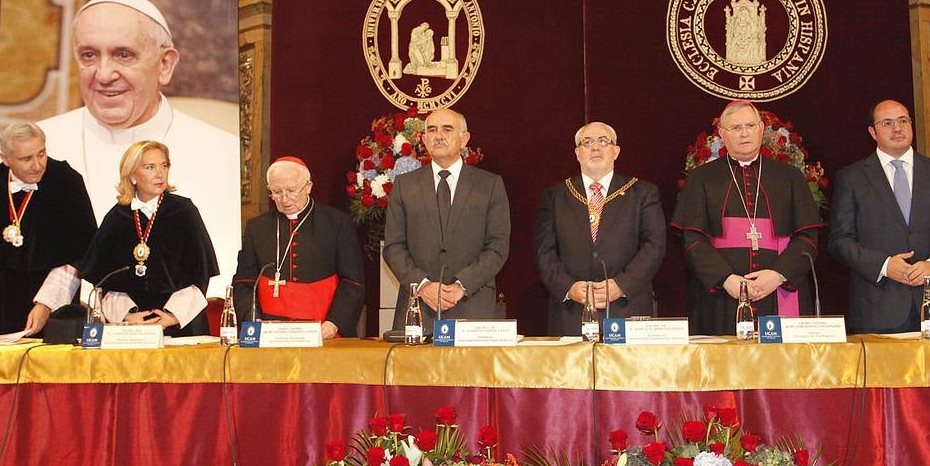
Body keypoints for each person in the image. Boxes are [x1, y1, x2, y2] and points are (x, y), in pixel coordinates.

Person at [35, 0, 240, 298]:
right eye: (89, 55)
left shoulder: (223, 150)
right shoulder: (35, 147)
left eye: (124, 55)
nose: (103, 75)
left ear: (165, 65)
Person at [672, 101, 823, 334]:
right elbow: (691, 240)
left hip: (779, 292)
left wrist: (777, 275)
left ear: (761, 129)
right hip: (722, 296)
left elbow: (808, 237)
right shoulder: (701, 179)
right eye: (735, 128)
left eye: (750, 125)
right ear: (722, 134)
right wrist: (727, 279)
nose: (744, 133)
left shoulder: (790, 177)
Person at [828, 101, 930, 333]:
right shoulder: (852, 178)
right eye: (887, 123)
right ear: (872, 132)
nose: (897, 128)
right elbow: (839, 241)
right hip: (878, 309)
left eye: (903, 121)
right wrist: (884, 265)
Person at [0, 122, 97, 336]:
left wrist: (46, 304)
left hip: (54, 310)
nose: (37, 165)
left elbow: (80, 249)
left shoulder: (67, 182)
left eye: (41, 154)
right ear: (5, 159)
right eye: (26, 159)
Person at [533, 121, 666, 334]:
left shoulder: (642, 193)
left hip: (627, 309)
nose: (596, 147)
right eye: (588, 142)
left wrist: (621, 285)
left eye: (604, 141)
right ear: (577, 153)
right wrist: (569, 288)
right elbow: (544, 251)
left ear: (616, 151)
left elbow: (654, 246)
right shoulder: (556, 195)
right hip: (572, 312)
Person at [383, 108, 510, 326]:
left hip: (472, 306)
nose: (438, 136)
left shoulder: (489, 185)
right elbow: (393, 247)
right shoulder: (405, 185)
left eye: (447, 129)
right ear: (424, 139)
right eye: (432, 130)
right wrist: (422, 286)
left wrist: (462, 285)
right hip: (419, 309)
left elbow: (497, 246)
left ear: (464, 139)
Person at [79, 140, 218, 337]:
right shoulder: (117, 217)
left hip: (180, 325)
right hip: (132, 328)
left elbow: (200, 273)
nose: (160, 174)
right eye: (150, 167)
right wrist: (128, 316)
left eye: (164, 165)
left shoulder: (184, 211)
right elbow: (104, 279)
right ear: (133, 175)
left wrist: (172, 316)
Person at [233, 157, 364, 339]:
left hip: (323, 333)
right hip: (271, 334)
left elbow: (353, 282)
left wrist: (333, 324)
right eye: (276, 192)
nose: (284, 199)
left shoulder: (336, 223)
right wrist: (255, 320)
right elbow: (244, 283)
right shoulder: (257, 227)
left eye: (291, 191)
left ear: (308, 186)